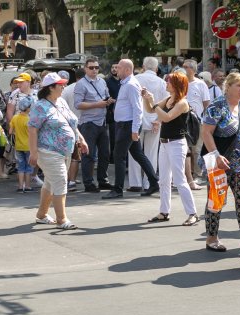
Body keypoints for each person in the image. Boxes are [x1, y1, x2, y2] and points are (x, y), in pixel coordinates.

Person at [201, 72, 240, 252]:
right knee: (216, 200)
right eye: (238, 85)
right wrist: (216, 155)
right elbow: (206, 132)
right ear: (228, 87)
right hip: (219, 163)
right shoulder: (217, 106)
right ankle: (212, 237)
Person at [29, 72, 88, 229]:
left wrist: (81, 139)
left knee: (50, 182)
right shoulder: (40, 106)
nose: (63, 87)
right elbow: (32, 129)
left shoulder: (61, 101)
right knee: (61, 180)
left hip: (65, 151)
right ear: (51, 88)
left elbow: (71, 123)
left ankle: (41, 215)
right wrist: (33, 152)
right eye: (60, 85)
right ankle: (62, 219)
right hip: (48, 151)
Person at [141, 72, 198, 226]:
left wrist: (152, 103)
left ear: (177, 84)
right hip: (165, 143)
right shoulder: (169, 99)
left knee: (180, 180)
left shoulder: (182, 103)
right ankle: (164, 211)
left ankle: (192, 213)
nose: (166, 83)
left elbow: (166, 117)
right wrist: (147, 99)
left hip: (177, 143)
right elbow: (151, 110)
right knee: (164, 180)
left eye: (169, 81)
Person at [103, 59, 160, 199]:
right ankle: (154, 182)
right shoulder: (127, 83)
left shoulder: (131, 85)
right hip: (125, 125)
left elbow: (138, 109)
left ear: (127, 70)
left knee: (119, 155)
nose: (116, 69)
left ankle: (117, 189)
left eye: (120, 67)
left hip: (128, 126)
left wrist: (134, 130)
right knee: (137, 154)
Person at [74, 57, 114, 192]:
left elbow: (106, 96)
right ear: (85, 69)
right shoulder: (81, 84)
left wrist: (109, 101)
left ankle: (103, 180)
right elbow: (78, 104)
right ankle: (89, 183)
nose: (94, 70)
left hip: (102, 121)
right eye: (91, 68)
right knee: (89, 155)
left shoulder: (102, 81)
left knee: (105, 154)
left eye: (97, 67)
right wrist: (98, 104)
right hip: (89, 123)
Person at [132, 56, 167, 192]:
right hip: (155, 120)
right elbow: (165, 104)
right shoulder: (161, 82)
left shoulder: (136, 80)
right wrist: (159, 120)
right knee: (151, 153)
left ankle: (135, 182)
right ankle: (149, 182)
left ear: (143, 67)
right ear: (157, 68)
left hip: (138, 120)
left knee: (135, 152)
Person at [183, 59, 210, 189]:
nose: (183, 69)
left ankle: (197, 175)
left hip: (196, 121)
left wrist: (205, 120)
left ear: (193, 70)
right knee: (184, 149)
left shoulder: (201, 84)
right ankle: (185, 176)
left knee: (196, 149)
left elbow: (206, 104)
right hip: (182, 121)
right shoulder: (181, 83)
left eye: (186, 67)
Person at [10, 96, 34, 192]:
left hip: (18, 146)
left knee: (20, 167)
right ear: (28, 108)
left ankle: (20, 186)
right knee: (28, 167)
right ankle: (27, 186)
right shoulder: (29, 119)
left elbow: (11, 131)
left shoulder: (15, 118)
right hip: (28, 146)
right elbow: (31, 133)